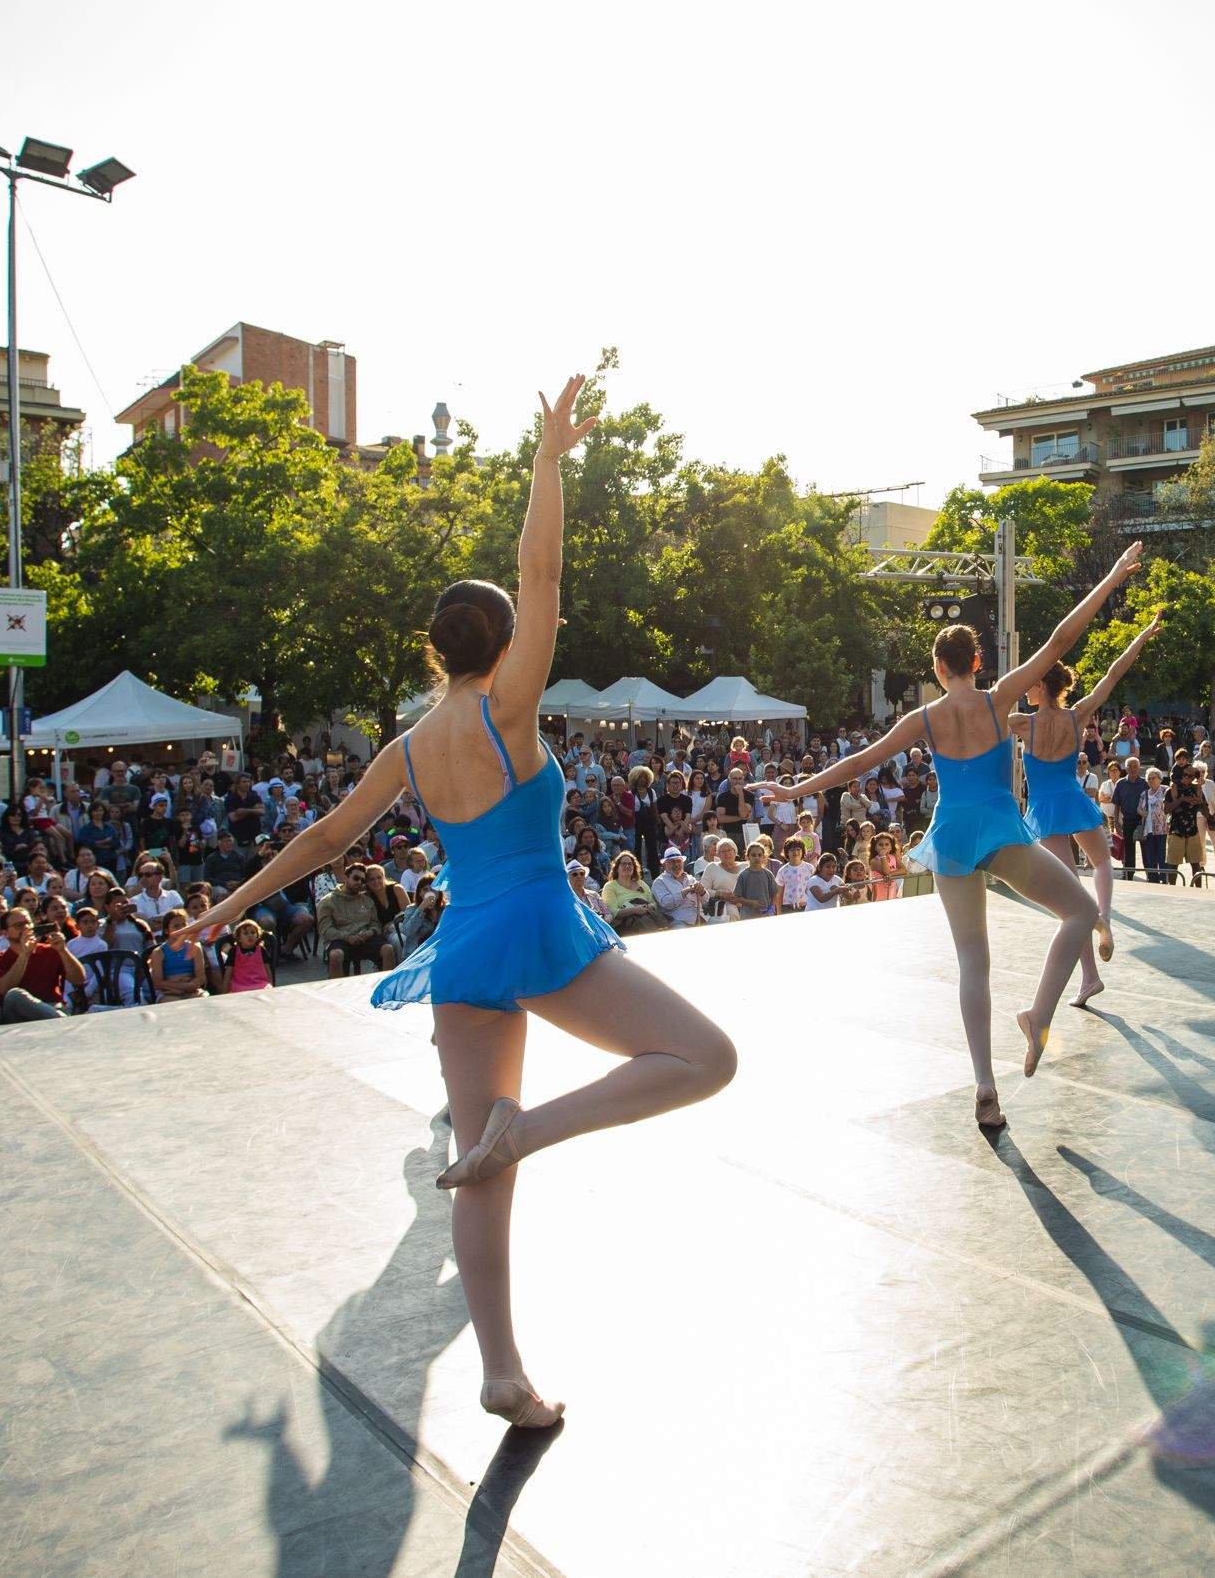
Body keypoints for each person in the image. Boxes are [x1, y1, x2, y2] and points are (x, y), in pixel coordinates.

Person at [186, 376, 737, 1431]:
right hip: (537, 926)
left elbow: (325, 839)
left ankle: (501, 1370)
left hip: (464, 950)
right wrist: (545, 462)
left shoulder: (408, 745)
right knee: (705, 1059)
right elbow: (544, 572)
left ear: (436, 649)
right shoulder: (508, 713)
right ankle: (530, 1131)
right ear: (497, 644)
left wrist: (223, 909)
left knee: (472, 1165)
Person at [752, 542, 1142, 1130]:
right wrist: (1111, 575)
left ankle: (986, 1086)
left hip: (953, 839)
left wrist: (792, 791)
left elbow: (857, 765)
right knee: (1082, 913)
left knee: (971, 960)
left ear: (938, 668)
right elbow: (1061, 639)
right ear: (976, 662)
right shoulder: (1000, 698)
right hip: (1002, 831)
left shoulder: (923, 720)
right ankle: (1038, 1015)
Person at [1019, 613, 1165, 1005]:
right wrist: (1142, 635)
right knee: (1102, 862)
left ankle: (1090, 969)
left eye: (1031, 682)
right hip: (1072, 798)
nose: (1026, 688)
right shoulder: (1075, 715)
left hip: (1046, 809)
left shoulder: (1021, 723)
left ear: (1042, 684)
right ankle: (1104, 926)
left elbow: (981, 713)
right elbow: (1113, 674)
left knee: (1071, 898)